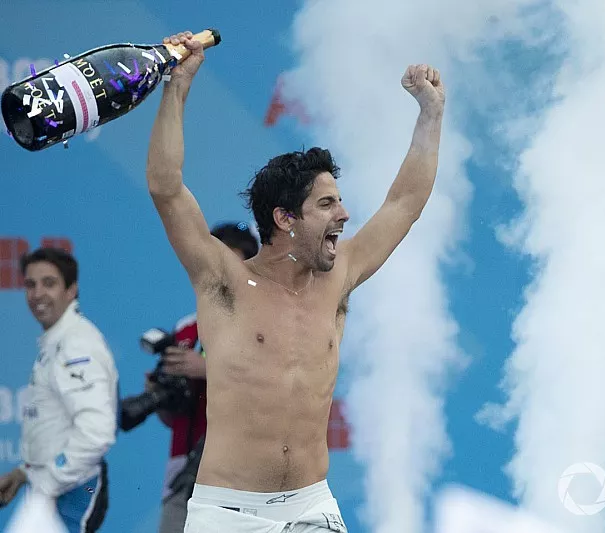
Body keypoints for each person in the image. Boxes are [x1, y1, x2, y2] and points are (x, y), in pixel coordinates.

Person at [146, 31, 445, 533]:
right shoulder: (224, 280)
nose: (345, 215)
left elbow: (404, 204)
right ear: (285, 218)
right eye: (327, 205)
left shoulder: (340, 275)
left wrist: (431, 115)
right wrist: (176, 89)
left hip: (311, 508)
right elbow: (166, 188)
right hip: (225, 513)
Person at [0, 248, 118, 532]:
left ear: (71, 290)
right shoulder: (57, 341)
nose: (37, 293)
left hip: (75, 491)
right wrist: (25, 473)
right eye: (31, 284)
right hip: (56, 490)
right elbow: (55, 427)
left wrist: (47, 480)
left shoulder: (76, 344)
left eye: (49, 283)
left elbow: (96, 433)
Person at [153, 222, 259, 533]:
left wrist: (203, 369)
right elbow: (171, 419)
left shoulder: (260, 327)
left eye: (232, 265)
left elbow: (267, 389)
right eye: (215, 261)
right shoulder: (185, 328)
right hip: (181, 474)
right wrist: (162, 395)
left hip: (236, 479)